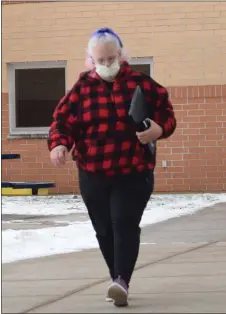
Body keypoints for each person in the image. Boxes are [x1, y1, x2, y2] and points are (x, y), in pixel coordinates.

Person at [47, 27, 176, 307]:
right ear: (90, 60)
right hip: (93, 172)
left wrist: (159, 129)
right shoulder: (81, 90)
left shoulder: (142, 84)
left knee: (124, 223)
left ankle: (121, 280)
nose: (107, 65)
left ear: (121, 54)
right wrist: (59, 144)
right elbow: (61, 122)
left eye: (111, 58)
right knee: (104, 228)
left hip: (133, 170)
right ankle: (118, 279)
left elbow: (167, 114)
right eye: (100, 60)